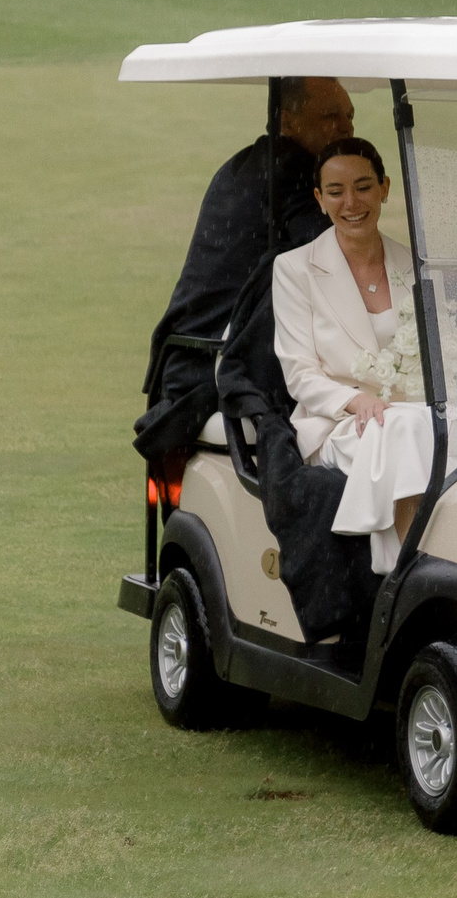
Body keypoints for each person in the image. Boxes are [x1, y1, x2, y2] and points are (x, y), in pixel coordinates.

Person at [141, 76, 356, 420]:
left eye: (349, 115)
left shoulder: (249, 162)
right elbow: (340, 257)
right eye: (331, 116)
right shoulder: (292, 170)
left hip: (187, 361)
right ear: (287, 121)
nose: (347, 127)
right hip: (219, 367)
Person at [273, 139, 435, 574]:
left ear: (385, 188)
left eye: (363, 187)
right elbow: (299, 372)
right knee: (402, 427)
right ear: (319, 198)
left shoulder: (415, 264)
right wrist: (356, 400)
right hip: (339, 424)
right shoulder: (293, 269)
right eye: (336, 191)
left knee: (430, 426)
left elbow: (438, 350)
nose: (351, 203)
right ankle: (407, 570)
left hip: (414, 412)